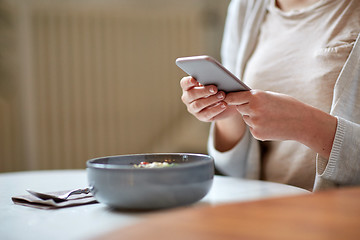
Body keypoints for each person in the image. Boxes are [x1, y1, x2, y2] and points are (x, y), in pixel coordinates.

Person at [180, 0, 360, 191]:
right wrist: (224, 110)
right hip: (264, 206)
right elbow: (235, 170)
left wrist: (307, 126)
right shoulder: (246, 6)